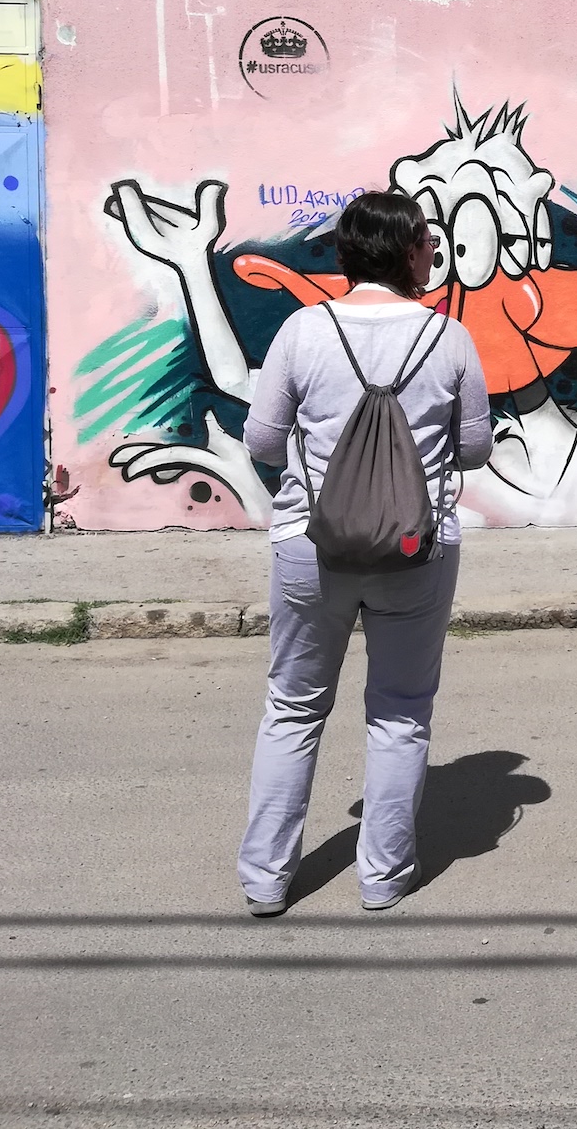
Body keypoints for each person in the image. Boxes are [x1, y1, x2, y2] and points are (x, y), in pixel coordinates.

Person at [236, 191, 493, 916]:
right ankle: (382, 877)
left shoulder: (302, 331)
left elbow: (262, 442)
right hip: (415, 546)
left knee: (292, 709)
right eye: (428, 241)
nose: (435, 252)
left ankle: (265, 880)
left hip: (309, 545)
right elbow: (474, 447)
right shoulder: (449, 339)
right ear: (407, 251)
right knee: (401, 712)